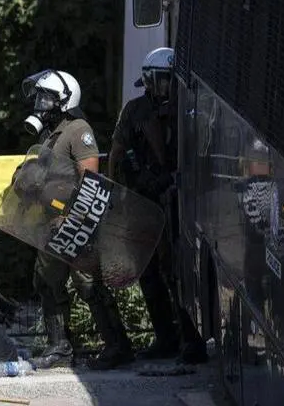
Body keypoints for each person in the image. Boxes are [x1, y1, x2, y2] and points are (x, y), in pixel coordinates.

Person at [22, 70, 133, 370]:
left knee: (87, 283)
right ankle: (59, 347)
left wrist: (76, 219)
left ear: (64, 100)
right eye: (39, 96)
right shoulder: (51, 133)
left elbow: (91, 181)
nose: (40, 102)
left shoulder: (78, 129)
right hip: (51, 222)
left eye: (47, 97)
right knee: (46, 281)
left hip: (75, 221)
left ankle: (118, 345)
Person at [108, 47, 207, 364]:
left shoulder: (188, 109)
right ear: (149, 80)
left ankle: (192, 340)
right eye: (161, 81)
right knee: (148, 273)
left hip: (179, 202)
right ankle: (166, 336)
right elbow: (117, 155)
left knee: (178, 271)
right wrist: (123, 192)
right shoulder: (135, 111)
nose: (166, 88)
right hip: (142, 202)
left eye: (170, 81)